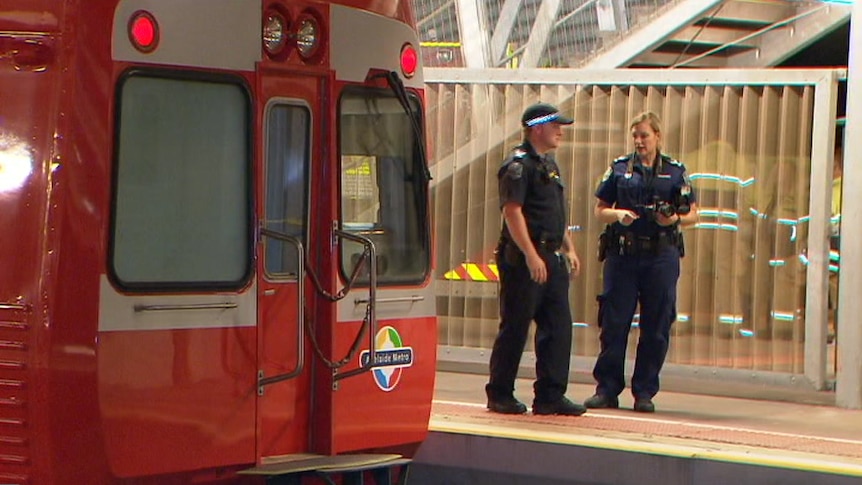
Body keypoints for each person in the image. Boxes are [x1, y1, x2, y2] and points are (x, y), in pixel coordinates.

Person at [585, 111, 698, 413]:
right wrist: (617, 215)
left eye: (644, 135)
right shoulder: (620, 168)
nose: (638, 141)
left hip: (661, 256)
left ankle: (644, 391)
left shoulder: (675, 171)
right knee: (614, 322)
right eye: (635, 135)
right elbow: (600, 209)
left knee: (657, 324)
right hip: (623, 255)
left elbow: (693, 215)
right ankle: (607, 389)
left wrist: (673, 218)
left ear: (658, 136)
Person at [485, 102, 586, 416]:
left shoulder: (549, 164)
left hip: (551, 256)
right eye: (555, 126)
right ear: (537, 127)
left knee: (558, 327)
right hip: (524, 260)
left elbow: (556, 212)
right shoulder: (518, 166)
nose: (560, 132)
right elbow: (512, 212)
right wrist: (530, 255)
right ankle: (500, 393)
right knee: (515, 326)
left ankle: (550, 395)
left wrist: (568, 247)